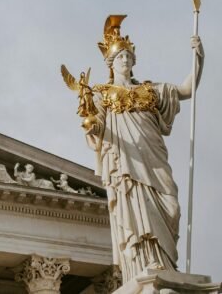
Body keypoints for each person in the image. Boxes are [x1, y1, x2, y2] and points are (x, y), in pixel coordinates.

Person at [80, 16, 204, 280]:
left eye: (128, 56)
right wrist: (92, 126)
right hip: (126, 161)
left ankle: (167, 263)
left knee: (172, 206)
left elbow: (187, 88)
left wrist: (198, 58)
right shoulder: (103, 94)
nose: (125, 60)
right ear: (111, 64)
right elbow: (96, 126)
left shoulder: (151, 90)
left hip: (154, 157)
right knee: (138, 209)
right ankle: (145, 263)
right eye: (120, 57)